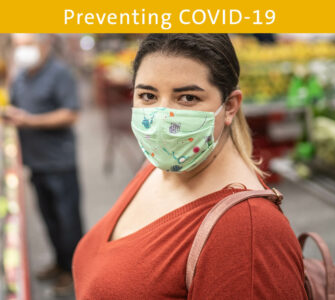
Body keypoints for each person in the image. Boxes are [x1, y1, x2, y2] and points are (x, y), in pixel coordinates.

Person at [73, 34, 307, 299]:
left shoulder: (248, 232)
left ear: (229, 107)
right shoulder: (159, 165)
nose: (161, 117)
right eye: (148, 95)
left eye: (187, 98)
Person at [6, 34, 83, 296]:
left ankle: (74, 271)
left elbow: (70, 114)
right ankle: (59, 264)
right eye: (18, 47)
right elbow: (15, 105)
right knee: (49, 218)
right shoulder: (21, 75)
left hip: (59, 162)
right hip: (35, 162)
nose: (22, 52)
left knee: (67, 221)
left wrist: (30, 121)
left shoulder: (59, 74)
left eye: (27, 46)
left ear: (44, 45)